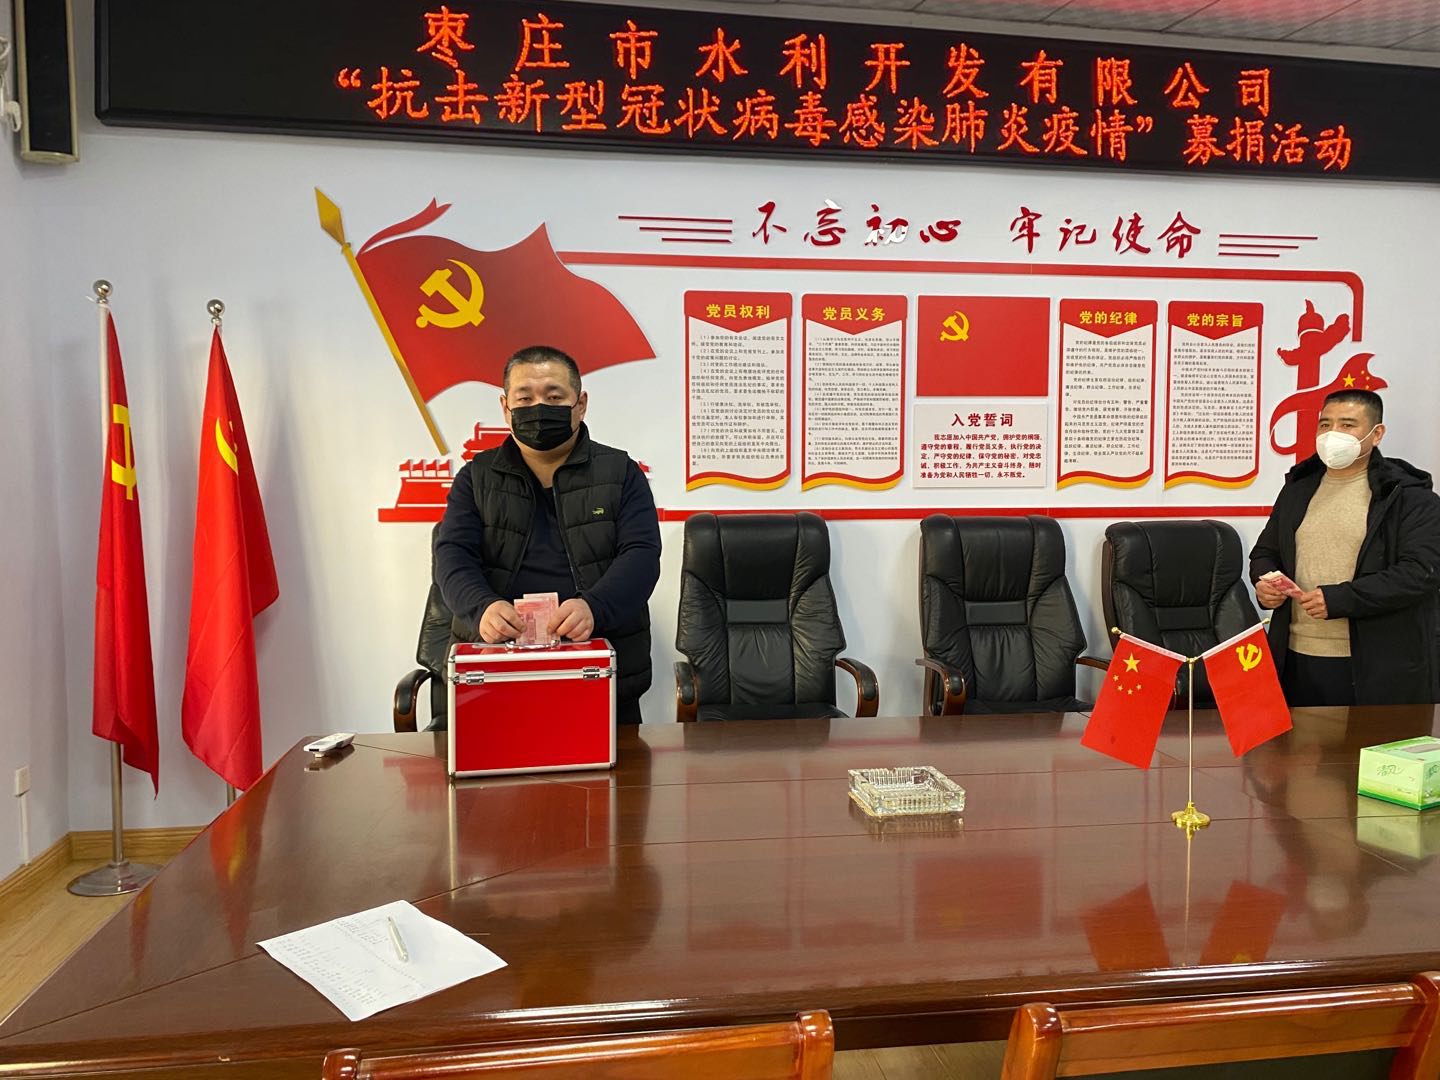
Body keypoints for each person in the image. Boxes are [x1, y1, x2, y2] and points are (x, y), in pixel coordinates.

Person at [434, 345, 660, 724]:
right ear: (505, 407)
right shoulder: (475, 478)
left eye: (554, 397)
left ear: (580, 404)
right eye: (525, 398)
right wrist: (482, 608)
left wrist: (595, 608)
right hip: (496, 666)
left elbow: (641, 555)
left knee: (609, 763)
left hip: (597, 664)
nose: (538, 408)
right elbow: (452, 556)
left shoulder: (621, 472)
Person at [1250, 389, 1440, 706]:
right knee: (1296, 740)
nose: (1332, 434)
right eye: (1325, 425)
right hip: (1296, 655)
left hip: (1377, 664)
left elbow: (1420, 573)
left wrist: (1341, 599)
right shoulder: (1298, 486)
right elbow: (1266, 552)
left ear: (1376, 434)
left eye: (1347, 425)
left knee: (1368, 740)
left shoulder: (1408, 496)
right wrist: (1264, 582)